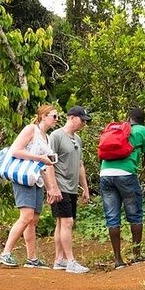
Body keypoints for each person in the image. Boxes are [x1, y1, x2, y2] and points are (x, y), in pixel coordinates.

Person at [0, 104, 62, 268]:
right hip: (24, 177)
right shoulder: (31, 129)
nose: (57, 119)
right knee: (26, 216)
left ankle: (31, 258)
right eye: (54, 116)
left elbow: (46, 167)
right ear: (43, 116)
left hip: (37, 180)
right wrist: (39, 158)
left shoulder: (46, 138)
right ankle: (6, 253)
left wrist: (50, 187)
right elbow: (15, 151)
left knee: (33, 219)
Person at [99, 107, 145, 269]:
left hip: (105, 174)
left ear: (128, 118)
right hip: (126, 174)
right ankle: (137, 254)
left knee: (112, 217)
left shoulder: (116, 130)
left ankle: (118, 260)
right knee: (134, 214)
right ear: (143, 119)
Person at [48, 106, 92, 274]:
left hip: (72, 187)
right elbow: (49, 163)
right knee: (67, 222)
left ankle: (59, 260)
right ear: (72, 118)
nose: (83, 124)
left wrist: (85, 188)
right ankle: (70, 261)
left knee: (61, 222)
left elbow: (80, 164)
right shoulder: (56, 136)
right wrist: (52, 187)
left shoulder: (77, 139)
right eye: (82, 120)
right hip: (60, 185)